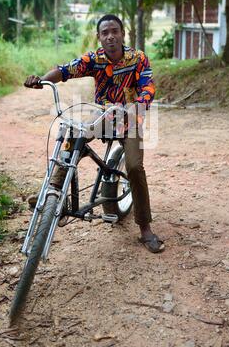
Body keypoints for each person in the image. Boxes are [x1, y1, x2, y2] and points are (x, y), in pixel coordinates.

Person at [24, 14, 164, 253]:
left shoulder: (138, 59)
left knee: (134, 167)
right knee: (73, 138)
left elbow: (148, 86)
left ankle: (145, 229)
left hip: (129, 118)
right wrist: (41, 81)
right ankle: (53, 195)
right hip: (101, 115)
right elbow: (65, 71)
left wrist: (137, 106)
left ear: (122, 34)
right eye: (105, 33)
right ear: (99, 37)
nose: (110, 36)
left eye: (114, 31)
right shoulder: (94, 59)